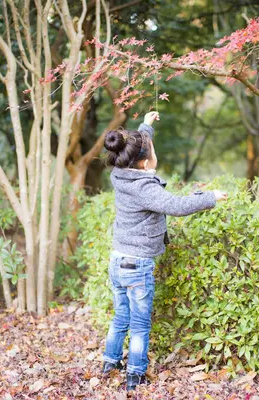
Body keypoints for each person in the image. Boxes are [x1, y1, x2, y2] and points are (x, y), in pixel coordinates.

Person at [101, 111, 227, 391]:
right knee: (140, 324)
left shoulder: (120, 174)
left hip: (118, 258)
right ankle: (135, 374)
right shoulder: (145, 186)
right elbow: (176, 206)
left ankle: (109, 363)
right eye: (151, 150)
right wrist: (211, 197)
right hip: (137, 264)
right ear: (146, 162)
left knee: (120, 316)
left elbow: (134, 145)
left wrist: (146, 125)